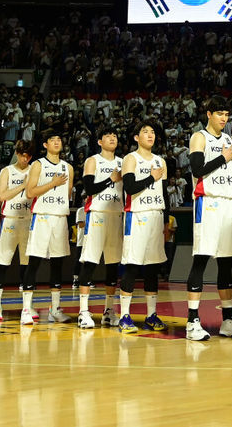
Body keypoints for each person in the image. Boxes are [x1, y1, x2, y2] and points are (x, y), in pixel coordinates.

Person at [186, 97, 232, 341]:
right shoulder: (199, 137)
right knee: (201, 259)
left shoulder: (231, 140)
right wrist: (222, 157)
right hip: (208, 202)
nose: (224, 118)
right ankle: (192, 321)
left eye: (227, 114)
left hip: (228, 203)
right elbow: (197, 170)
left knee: (225, 263)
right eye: (220, 113)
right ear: (209, 114)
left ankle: (228, 320)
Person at [116, 120, 170, 334]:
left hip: (156, 216)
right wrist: (151, 177)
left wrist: (167, 221)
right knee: (132, 265)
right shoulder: (131, 159)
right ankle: (124, 316)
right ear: (136, 138)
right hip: (136, 216)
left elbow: (164, 194)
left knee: (153, 267)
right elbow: (129, 188)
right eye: (145, 132)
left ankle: (151, 315)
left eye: (153, 132)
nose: (150, 135)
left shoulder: (160, 161)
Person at [21, 131, 75, 325]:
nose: (57, 142)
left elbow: (67, 194)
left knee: (57, 263)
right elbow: (29, 192)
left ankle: (55, 308)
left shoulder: (68, 167)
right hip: (42, 216)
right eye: (52, 140)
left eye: (59, 139)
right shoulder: (38, 164)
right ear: (45, 145)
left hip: (60, 217)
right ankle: (26, 309)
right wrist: (52, 183)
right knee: (34, 261)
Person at [76, 126, 125, 329]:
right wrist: (110, 179)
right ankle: (83, 311)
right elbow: (89, 188)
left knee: (113, 265)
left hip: (116, 214)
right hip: (96, 214)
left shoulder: (123, 163)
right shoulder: (93, 161)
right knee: (90, 262)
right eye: (107, 135)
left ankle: (109, 310)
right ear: (99, 141)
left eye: (114, 135)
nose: (112, 138)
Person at [0, 140, 33, 320]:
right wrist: (23, 186)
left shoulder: (35, 169)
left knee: (27, 265)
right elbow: (2, 195)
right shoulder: (6, 171)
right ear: (17, 153)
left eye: (28, 155)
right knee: (3, 262)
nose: (25, 158)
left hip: (29, 220)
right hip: (10, 220)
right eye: (22, 154)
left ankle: (27, 308)